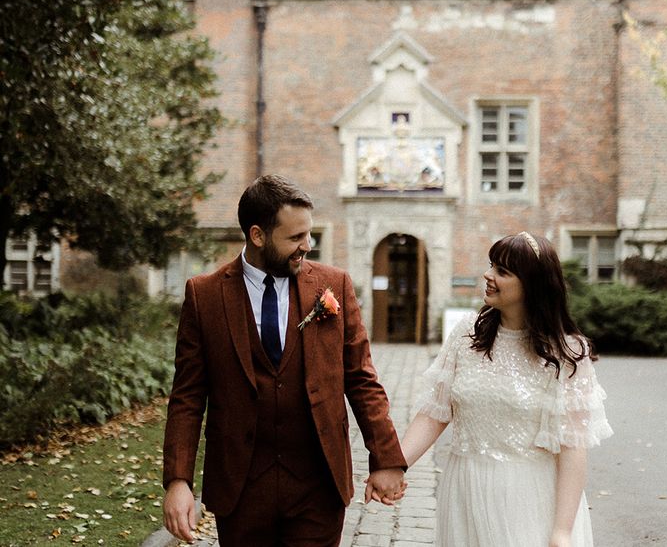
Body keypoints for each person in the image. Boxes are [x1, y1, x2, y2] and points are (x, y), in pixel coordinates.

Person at [163, 175, 407, 545]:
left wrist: (386, 458)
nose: (306, 246)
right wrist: (178, 481)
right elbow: (187, 397)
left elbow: (361, 378)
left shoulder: (334, 285)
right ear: (257, 235)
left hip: (318, 485)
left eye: (308, 235)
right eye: (295, 238)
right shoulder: (205, 295)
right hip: (241, 489)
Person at [400, 232, 613, 547]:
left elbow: (573, 449)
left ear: (533, 285)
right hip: (464, 491)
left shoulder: (566, 353)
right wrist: (395, 466)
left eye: (502, 271)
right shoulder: (465, 336)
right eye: (491, 266)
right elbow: (434, 413)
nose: (488, 275)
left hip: (530, 498)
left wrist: (562, 531)